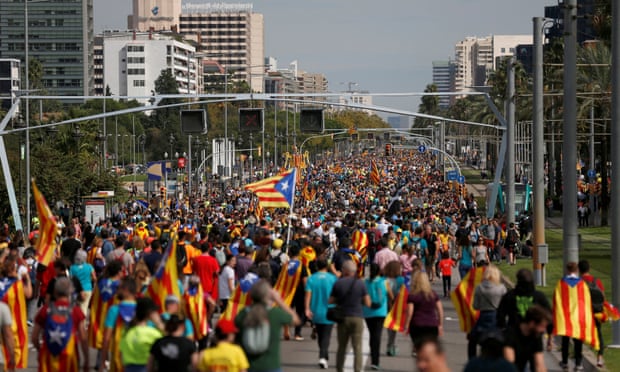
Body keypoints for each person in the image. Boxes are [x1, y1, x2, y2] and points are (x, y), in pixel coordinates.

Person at [235, 279, 300, 372]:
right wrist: (279, 300)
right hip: (271, 366)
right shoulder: (275, 313)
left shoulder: (243, 314)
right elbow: (295, 320)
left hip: (248, 366)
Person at [31, 277, 89, 372]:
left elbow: (34, 337)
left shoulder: (45, 310)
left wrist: (39, 350)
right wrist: (86, 359)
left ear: (54, 292)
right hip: (69, 358)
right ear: (70, 292)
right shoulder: (75, 311)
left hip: (48, 358)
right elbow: (83, 337)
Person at [328, 260, 371, 372]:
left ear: (345, 271)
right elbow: (368, 302)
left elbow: (330, 300)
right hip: (357, 317)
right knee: (357, 347)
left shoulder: (339, 283)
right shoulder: (360, 283)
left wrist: (339, 299)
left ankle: (339, 369)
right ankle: (357, 369)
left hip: (343, 317)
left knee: (342, 346)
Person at [554, 262, 591, 372]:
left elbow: (557, 300)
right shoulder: (582, 284)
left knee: (565, 341)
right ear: (576, 270)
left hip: (566, 317)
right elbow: (586, 300)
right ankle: (578, 363)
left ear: (567, 270)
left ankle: (565, 362)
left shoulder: (561, 283)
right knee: (578, 341)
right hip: (578, 316)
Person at [99, 277, 139, 372]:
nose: (116, 291)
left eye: (118, 288)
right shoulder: (142, 310)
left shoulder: (114, 310)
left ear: (126, 290)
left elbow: (106, 339)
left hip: (118, 361)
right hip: (138, 359)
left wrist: (102, 361)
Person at [304, 257, 337, 369]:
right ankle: (323, 357)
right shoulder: (333, 278)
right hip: (330, 310)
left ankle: (324, 356)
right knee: (326, 335)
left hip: (316, 310)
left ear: (317, 266)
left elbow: (308, 295)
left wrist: (307, 309)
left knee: (321, 335)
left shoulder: (311, 278)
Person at [469, 264, 506, 359]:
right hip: (497, 318)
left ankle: (472, 360)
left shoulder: (479, 288)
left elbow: (475, 306)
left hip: (483, 317)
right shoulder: (501, 288)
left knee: (472, 339)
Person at [119, 297, 164, 372]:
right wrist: (159, 323)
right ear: (150, 314)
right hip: (147, 367)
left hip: (128, 368)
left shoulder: (126, 331)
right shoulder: (153, 334)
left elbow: (121, 353)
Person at [503, 305, 552, 372]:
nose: (543, 330)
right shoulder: (510, 335)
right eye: (542, 326)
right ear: (532, 323)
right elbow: (509, 365)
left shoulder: (536, 336)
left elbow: (540, 365)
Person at [404, 271, 444, 355]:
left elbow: (410, 312)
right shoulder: (433, 294)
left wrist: (406, 325)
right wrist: (440, 324)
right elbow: (440, 310)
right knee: (430, 349)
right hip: (432, 325)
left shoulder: (413, 295)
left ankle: (416, 349)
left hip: (417, 325)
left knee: (419, 346)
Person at [362, 263, 390, 370]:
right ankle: (375, 360)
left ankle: (373, 355)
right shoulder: (384, 282)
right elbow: (389, 295)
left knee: (372, 334)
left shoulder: (365, 282)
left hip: (368, 311)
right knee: (377, 335)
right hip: (380, 312)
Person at [578, 260, 605, 367]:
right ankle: (599, 358)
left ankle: (579, 361)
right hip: (596, 311)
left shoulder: (579, 282)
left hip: (584, 312)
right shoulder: (596, 281)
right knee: (599, 334)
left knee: (580, 336)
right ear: (589, 269)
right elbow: (603, 296)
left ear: (579, 270)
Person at [383, 260, 405, 356]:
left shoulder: (384, 279)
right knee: (393, 327)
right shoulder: (400, 280)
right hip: (396, 304)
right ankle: (391, 345)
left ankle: (390, 345)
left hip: (385, 304)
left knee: (388, 327)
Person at [69, 249, 96, 317]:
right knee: (84, 307)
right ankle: (82, 323)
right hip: (87, 289)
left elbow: (70, 278)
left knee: (74, 307)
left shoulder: (72, 267)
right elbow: (94, 278)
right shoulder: (89, 266)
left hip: (76, 290)